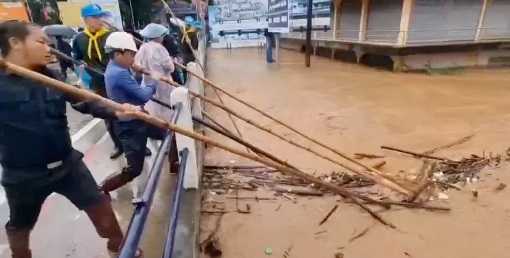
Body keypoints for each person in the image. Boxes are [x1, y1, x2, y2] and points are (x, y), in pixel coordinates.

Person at [0, 20, 142, 258]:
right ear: (15, 43)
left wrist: (117, 110)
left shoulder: (50, 75)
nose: (49, 48)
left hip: (67, 165)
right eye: (41, 42)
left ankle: (119, 246)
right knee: (20, 225)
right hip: (24, 176)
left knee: (101, 208)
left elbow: (83, 101)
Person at [100, 32, 168, 193]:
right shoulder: (119, 73)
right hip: (129, 126)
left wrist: (138, 70)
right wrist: (154, 81)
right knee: (134, 169)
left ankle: (176, 165)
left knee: (169, 133)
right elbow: (143, 96)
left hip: (139, 116)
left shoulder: (117, 66)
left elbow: (134, 79)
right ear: (117, 53)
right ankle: (102, 189)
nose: (133, 59)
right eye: (131, 54)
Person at [72, 3, 124, 159]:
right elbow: (77, 58)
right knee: (108, 116)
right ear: (86, 19)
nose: (99, 20)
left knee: (126, 111)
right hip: (98, 83)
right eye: (95, 17)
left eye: (101, 16)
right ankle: (118, 144)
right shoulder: (80, 38)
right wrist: (82, 70)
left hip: (116, 81)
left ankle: (134, 144)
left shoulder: (111, 35)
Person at [136, 23, 175, 120]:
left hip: (147, 82)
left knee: (153, 107)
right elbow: (170, 67)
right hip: (163, 82)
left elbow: (137, 64)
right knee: (166, 108)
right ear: (157, 36)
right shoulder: (160, 48)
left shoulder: (142, 48)